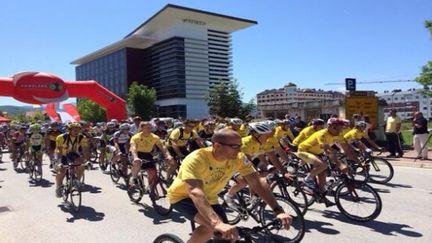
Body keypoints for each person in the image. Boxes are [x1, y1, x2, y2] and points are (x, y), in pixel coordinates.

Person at [167, 128, 291, 242]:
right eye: (235, 146)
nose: (239, 150)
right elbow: (195, 191)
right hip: (183, 197)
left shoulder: (239, 157)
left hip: (210, 198)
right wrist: (217, 223)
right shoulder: (197, 159)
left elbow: (257, 181)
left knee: (227, 236)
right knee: (212, 227)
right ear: (217, 146)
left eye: (240, 146)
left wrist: (277, 210)